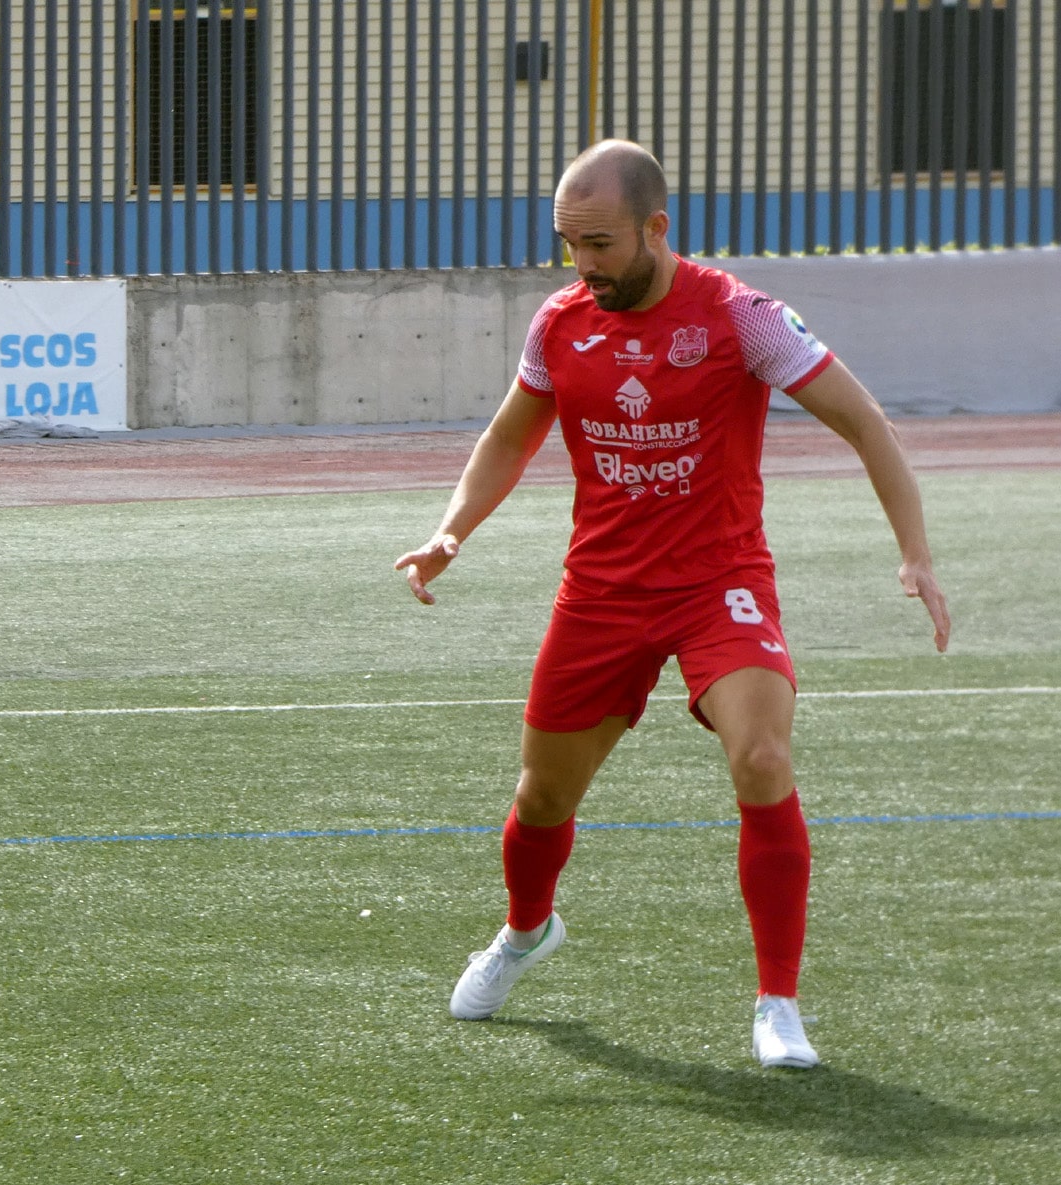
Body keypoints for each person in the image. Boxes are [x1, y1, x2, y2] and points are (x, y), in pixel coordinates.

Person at [395, 140, 950, 1069]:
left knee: (763, 757)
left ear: (657, 227)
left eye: (600, 243)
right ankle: (526, 933)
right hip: (601, 592)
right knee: (540, 797)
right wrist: (451, 532)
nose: (582, 264)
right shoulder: (558, 324)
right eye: (568, 244)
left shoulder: (742, 319)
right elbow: (506, 439)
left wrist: (914, 554)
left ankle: (777, 1004)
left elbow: (866, 423)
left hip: (716, 584)